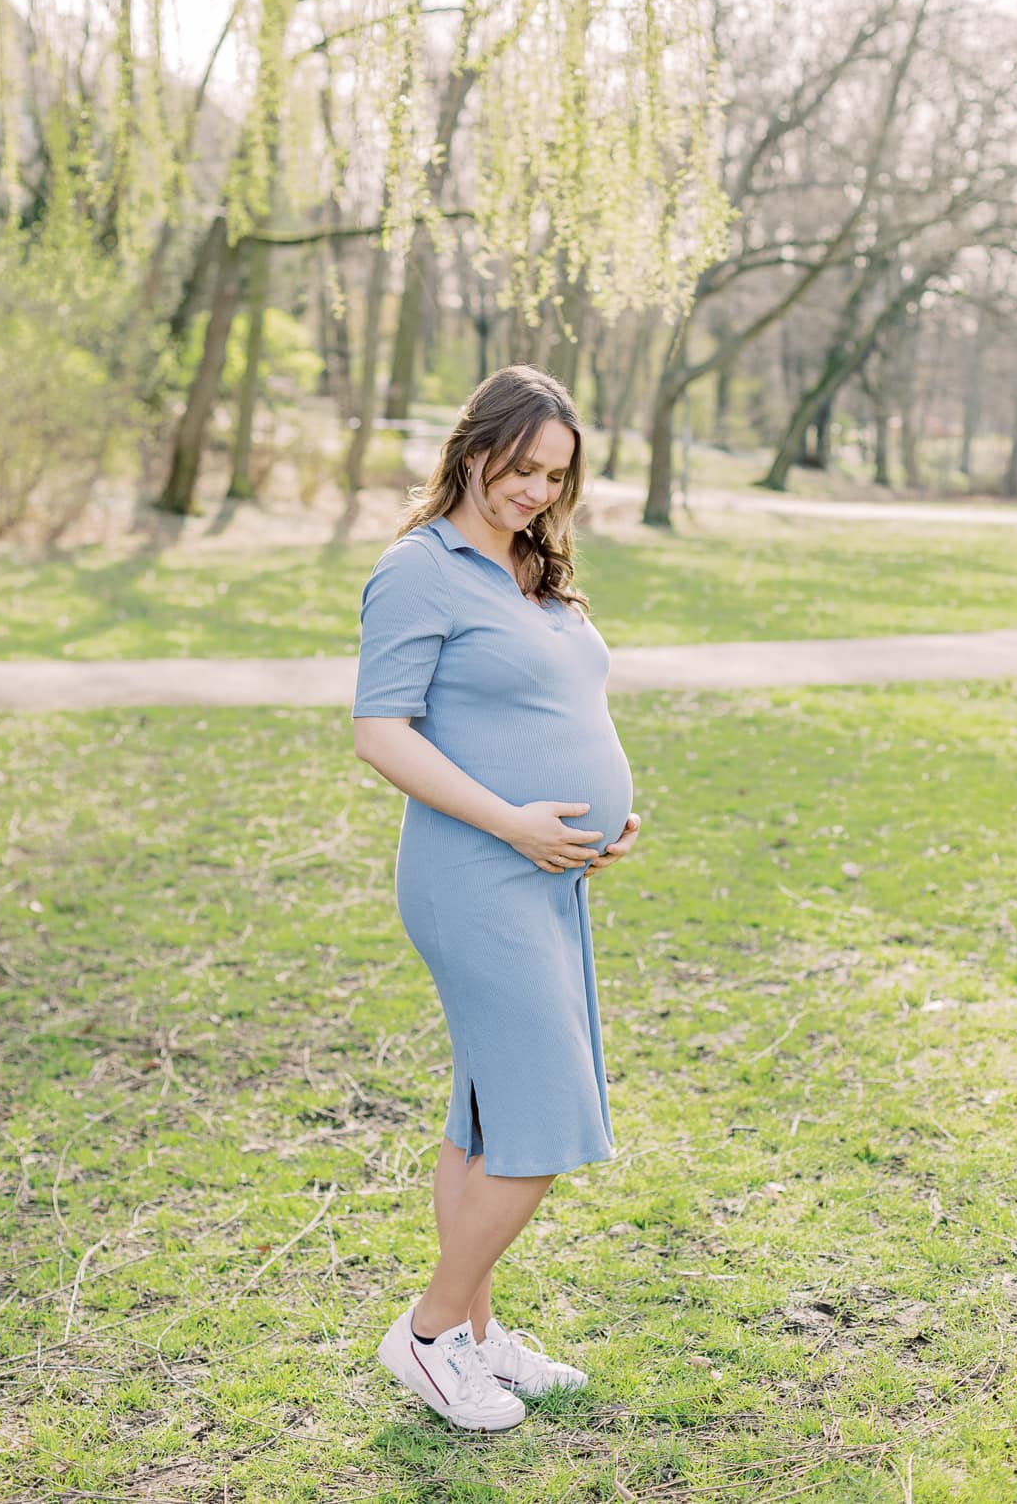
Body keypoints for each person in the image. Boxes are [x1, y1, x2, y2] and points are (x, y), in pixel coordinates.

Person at [352, 362, 641, 1432]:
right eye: (521, 469)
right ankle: (428, 1334)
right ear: (472, 450)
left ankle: (475, 1338)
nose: (536, 492)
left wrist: (605, 824)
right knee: (543, 1119)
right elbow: (380, 732)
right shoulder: (419, 571)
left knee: (481, 1118)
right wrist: (515, 822)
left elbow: (560, 702)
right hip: (473, 873)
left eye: (556, 477)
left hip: (548, 873)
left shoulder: (531, 564)